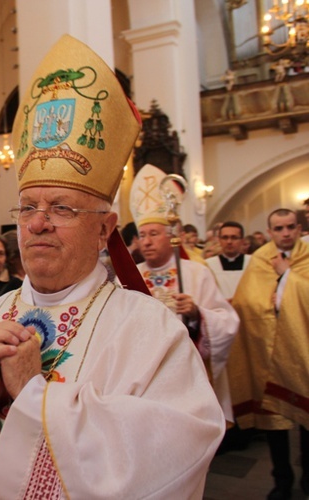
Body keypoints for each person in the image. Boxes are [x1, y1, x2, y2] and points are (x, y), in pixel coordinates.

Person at [0, 35, 223, 499]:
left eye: (62, 208)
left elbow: (175, 450)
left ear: (105, 230)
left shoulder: (150, 331)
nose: (38, 223)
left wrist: (33, 395)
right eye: (27, 208)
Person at [132, 164, 239, 423]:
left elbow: (227, 320)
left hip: (185, 368)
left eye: (154, 234)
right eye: (142, 235)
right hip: (143, 370)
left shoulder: (195, 273)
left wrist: (196, 313)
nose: (146, 241)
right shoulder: (131, 275)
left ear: (172, 237)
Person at [228, 208, 309, 500]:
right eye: (279, 228)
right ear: (270, 230)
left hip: (302, 352)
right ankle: (282, 481)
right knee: (275, 424)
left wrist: (287, 277)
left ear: (299, 228)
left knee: (306, 421)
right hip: (269, 353)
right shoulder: (261, 259)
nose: (285, 233)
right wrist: (274, 303)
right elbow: (248, 301)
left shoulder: (305, 257)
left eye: (290, 227)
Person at [205, 221, 251, 300]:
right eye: (225, 237)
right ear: (219, 240)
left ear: (242, 241)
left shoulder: (252, 262)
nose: (229, 242)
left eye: (234, 237)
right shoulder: (208, 265)